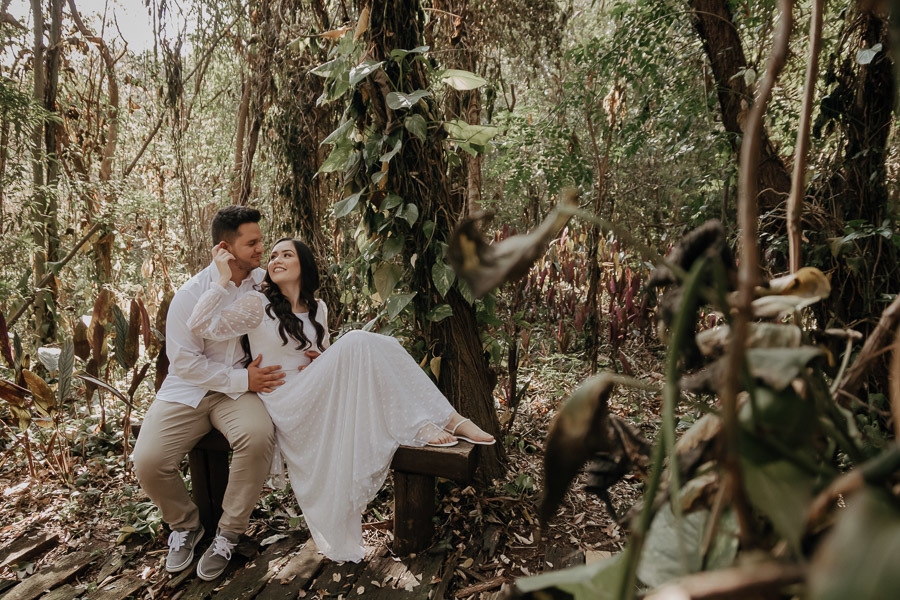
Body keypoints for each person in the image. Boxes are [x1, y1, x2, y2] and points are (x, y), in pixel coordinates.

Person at [186, 237, 495, 562]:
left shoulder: (319, 308)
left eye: (286, 254)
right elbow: (200, 325)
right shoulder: (255, 303)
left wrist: (321, 358)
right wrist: (221, 279)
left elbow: (323, 357)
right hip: (285, 401)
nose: (275, 259)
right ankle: (441, 421)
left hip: (314, 393)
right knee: (360, 339)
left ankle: (431, 421)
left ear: (303, 264)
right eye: (273, 255)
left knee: (375, 345)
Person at [132, 206, 289, 581]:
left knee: (257, 437)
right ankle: (185, 526)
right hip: (191, 390)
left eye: (260, 241)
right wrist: (241, 381)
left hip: (238, 392)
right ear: (225, 248)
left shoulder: (265, 282)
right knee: (148, 460)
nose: (260, 249)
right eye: (252, 243)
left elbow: (296, 316)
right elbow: (184, 363)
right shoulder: (191, 293)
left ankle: (229, 533)